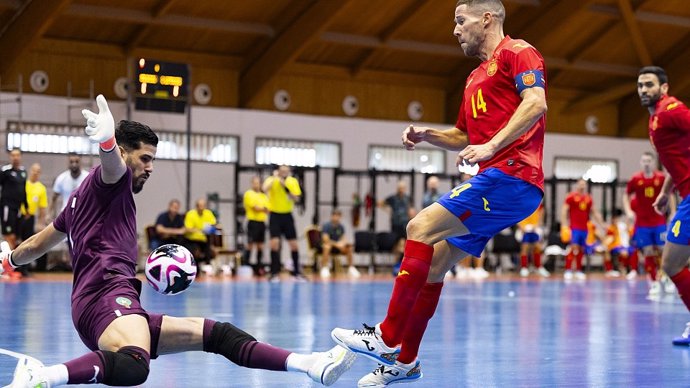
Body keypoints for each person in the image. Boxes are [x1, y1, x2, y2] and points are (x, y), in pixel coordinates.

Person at [0, 95, 355, 387]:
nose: (150, 167)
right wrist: (107, 143)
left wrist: (8, 260)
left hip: (103, 302)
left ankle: (309, 364)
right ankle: (43, 376)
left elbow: (38, 244)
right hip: (107, 296)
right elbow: (113, 166)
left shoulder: (79, 199)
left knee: (218, 334)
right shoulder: (112, 181)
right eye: (145, 158)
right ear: (125, 154)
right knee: (135, 367)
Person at [330, 1, 547, 385]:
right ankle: (405, 363)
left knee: (420, 226)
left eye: (460, 21)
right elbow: (464, 136)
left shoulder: (518, 51)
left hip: (513, 175)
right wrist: (428, 135)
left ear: (487, 18)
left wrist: (492, 146)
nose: (455, 30)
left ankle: (386, 336)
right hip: (499, 179)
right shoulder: (473, 78)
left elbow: (536, 102)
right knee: (432, 266)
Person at [636, 66, 690, 345]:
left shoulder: (672, 111)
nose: (644, 90)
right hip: (684, 196)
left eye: (649, 84)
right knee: (672, 263)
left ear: (664, 88)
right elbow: (675, 159)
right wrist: (664, 192)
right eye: (640, 85)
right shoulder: (655, 119)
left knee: (671, 262)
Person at [623, 152, 672, 294]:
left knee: (663, 251)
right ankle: (654, 282)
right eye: (644, 160)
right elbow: (626, 195)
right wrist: (628, 211)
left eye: (649, 160)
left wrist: (673, 212)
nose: (646, 163)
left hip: (659, 222)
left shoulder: (661, 177)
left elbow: (669, 194)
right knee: (648, 251)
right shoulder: (635, 179)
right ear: (640, 162)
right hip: (642, 224)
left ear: (653, 162)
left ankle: (666, 278)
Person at [263, 165, 304, 282]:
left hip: (287, 215)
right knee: (274, 243)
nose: (284, 173)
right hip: (275, 215)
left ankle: (296, 273)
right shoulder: (272, 179)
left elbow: (296, 198)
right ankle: (274, 272)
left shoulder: (292, 181)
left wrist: (285, 186)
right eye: (282, 171)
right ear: (278, 171)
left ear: (289, 172)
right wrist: (275, 179)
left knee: (294, 244)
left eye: (286, 171)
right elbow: (264, 188)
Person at [560, 179, 605, 280]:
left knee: (581, 249)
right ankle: (568, 269)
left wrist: (601, 224)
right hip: (574, 227)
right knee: (573, 248)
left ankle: (579, 270)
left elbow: (594, 212)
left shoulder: (588, 198)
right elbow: (564, 210)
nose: (582, 186)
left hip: (584, 228)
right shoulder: (571, 197)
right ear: (577, 185)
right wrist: (564, 225)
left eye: (584, 185)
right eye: (580, 184)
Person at [0, 148, 28, 279]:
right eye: (13, 155)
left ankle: (9, 267)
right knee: (9, 236)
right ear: (10, 157)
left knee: (16, 237)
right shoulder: (5, 171)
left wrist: (26, 207)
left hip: (18, 209)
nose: (15, 157)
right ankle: (7, 269)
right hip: (7, 207)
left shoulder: (23, 172)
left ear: (20, 157)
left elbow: (23, 191)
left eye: (17, 155)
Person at [19, 163, 48, 274]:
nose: (35, 172)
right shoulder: (23, 184)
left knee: (28, 243)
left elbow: (42, 208)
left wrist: (41, 223)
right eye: (34, 170)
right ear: (30, 171)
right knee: (17, 241)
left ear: (39, 173)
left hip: (30, 218)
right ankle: (15, 267)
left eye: (38, 171)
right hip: (19, 217)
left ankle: (24, 268)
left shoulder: (41, 188)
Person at [318, 209, 361, 279]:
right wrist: (337, 244)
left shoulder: (341, 227)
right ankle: (325, 268)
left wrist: (343, 243)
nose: (336, 217)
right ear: (332, 216)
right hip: (329, 245)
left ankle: (351, 268)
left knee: (349, 247)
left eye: (338, 216)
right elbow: (326, 239)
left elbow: (343, 238)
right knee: (326, 247)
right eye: (334, 215)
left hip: (338, 246)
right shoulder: (326, 226)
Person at [380, 180, 413, 267]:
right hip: (396, 224)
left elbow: (410, 209)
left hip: (405, 224)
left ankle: (402, 263)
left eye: (403, 188)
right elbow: (381, 203)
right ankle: (396, 263)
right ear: (397, 189)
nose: (401, 190)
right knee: (397, 244)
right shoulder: (393, 198)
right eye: (399, 188)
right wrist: (388, 210)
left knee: (405, 244)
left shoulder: (407, 198)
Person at [243, 176, 269, 276]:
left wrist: (262, 209)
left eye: (258, 183)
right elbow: (255, 208)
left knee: (260, 246)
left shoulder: (264, 196)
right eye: (254, 183)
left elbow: (268, 209)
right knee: (250, 244)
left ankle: (258, 268)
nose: (256, 185)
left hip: (261, 222)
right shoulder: (249, 194)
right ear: (252, 183)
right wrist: (263, 208)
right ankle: (246, 265)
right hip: (252, 222)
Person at [183, 198, 217, 273]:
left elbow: (213, 224)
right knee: (195, 252)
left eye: (203, 206)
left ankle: (207, 266)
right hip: (192, 240)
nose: (201, 208)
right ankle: (195, 268)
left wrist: (211, 228)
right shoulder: (191, 214)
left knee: (212, 252)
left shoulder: (208, 213)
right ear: (196, 206)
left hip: (204, 240)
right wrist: (199, 230)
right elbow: (187, 229)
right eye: (199, 206)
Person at [50, 152, 89, 216]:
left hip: (83, 215)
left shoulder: (88, 178)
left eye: (76, 162)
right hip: (65, 215)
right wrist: (49, 213)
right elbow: (54, 197)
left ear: (80, 162)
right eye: (71, 162)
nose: (74, 164)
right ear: (68, 162)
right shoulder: (61, 178)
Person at [517, 201, 549, 277]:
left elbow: (541, 214)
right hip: (524, 228)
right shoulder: (521, 202)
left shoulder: (538, 202)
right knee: (525, 247)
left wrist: (538, 225)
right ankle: (524, 267)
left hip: (535, 228)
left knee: (537, 246)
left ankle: (538, 267)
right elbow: (517, 214)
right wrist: (521, 226)